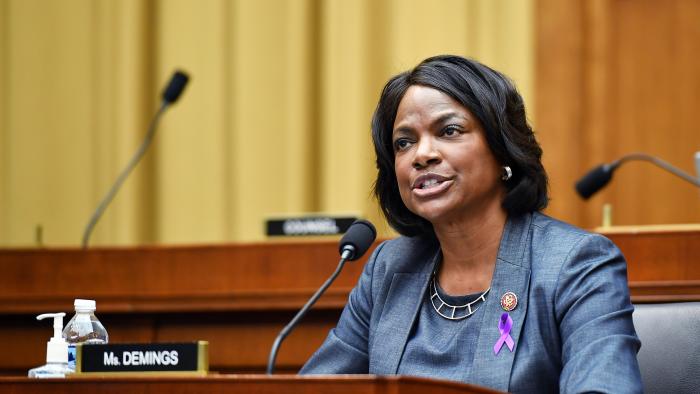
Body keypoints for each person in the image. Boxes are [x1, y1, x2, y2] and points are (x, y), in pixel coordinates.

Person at [300, 55, 642, 393]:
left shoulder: (576, 263)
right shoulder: (388, 270)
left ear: (502, 149)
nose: (422, 154)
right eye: (404, 142)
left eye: (449, 131)